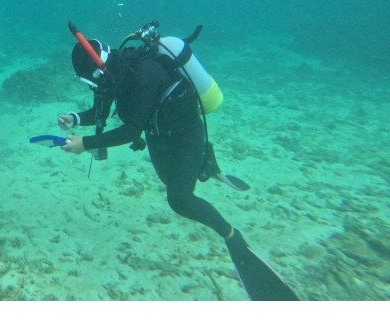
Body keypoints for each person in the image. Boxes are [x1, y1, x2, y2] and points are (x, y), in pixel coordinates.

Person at [59, 21, 297, 300]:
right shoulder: (112, 75)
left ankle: (232, 236)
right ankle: (205, 166)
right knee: (169, 181)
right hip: (159, 134)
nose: (92, 86)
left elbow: (130, 130)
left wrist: (85, 144)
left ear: (99, 66)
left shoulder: (142, 73)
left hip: (186, 133)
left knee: (180, 199)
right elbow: (101, 109)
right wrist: (75, 118)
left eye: (89, 80)